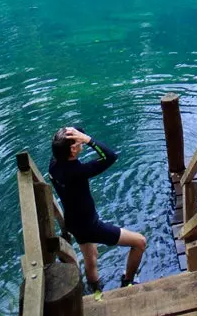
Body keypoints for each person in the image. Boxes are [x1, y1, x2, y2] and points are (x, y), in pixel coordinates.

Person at [49, 126, 146, 293]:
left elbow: (65, 144)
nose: (82, 144)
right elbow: (110, 156)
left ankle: (95, 289)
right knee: (139, 242)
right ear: (72, 150)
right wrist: (89, 141)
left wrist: (75, 133)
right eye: (79, 143)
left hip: (73, 222)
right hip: (90, 226)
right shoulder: (78, 172)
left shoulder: (54, 165)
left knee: (91, 257)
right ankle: (127, 281)